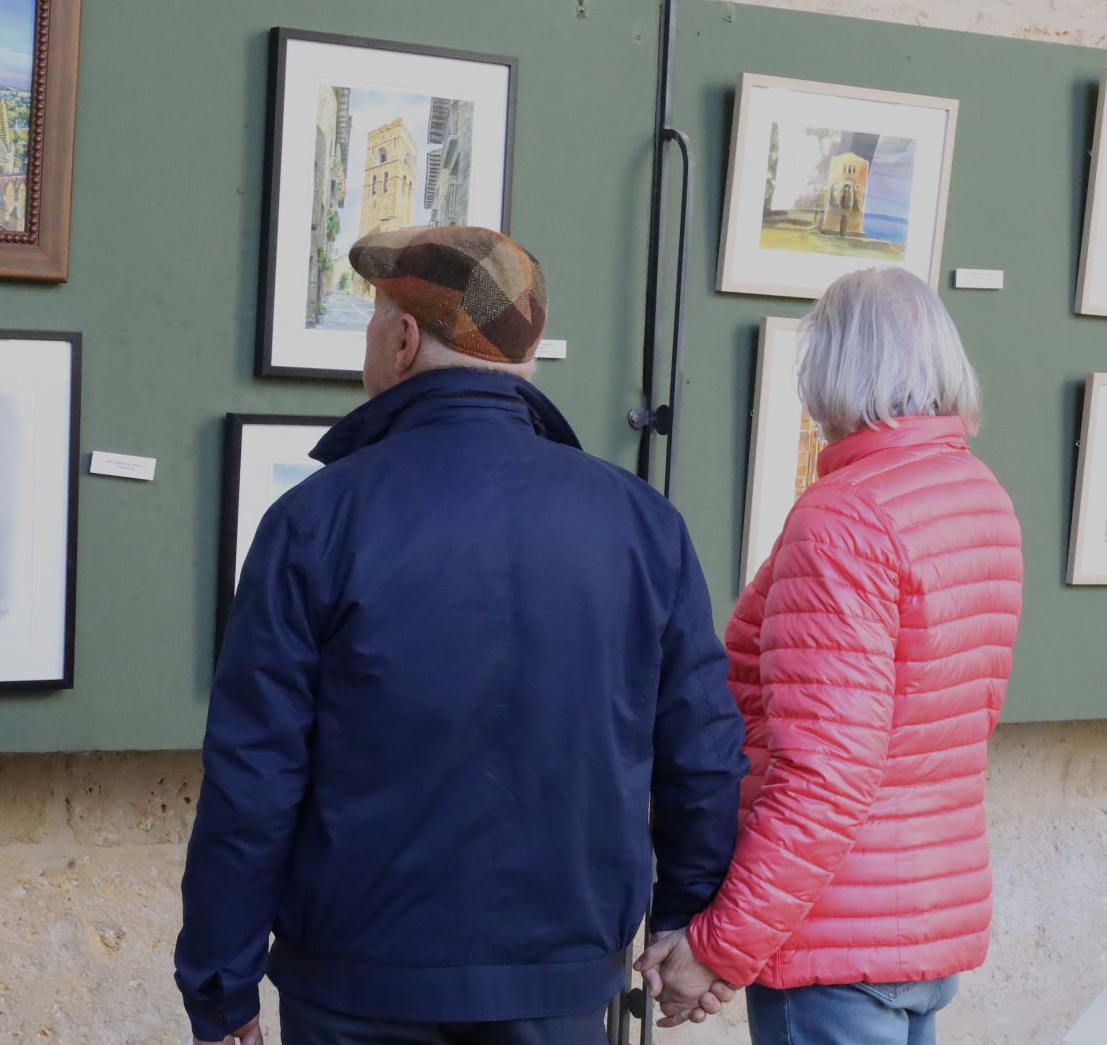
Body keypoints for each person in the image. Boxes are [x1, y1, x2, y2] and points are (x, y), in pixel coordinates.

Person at [175, 225, 748, 1045]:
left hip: (356, 982)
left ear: (403, 338)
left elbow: (254, 775)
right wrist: (687, 918)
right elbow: (701, 746)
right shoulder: (641, 525)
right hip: (561, 983)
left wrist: (221, 987)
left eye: (373, 322)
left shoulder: (317, 521)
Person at [638, 266, 1024, 1044]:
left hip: (835, 938)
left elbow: (826, 776)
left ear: (829, 371)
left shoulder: (844, 519)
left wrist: (717, 949)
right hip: (924, 920)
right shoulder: (977, 492)